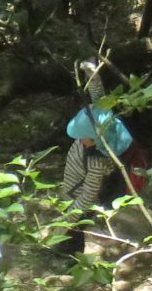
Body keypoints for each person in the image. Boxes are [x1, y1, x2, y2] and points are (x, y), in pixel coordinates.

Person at [57, 107, 137, 256]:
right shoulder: (87, 138)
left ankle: (71, 258)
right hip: (73, 194)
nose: (80, 140)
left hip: (81, 205)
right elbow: (98, 102)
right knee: (70, 234)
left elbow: (89, 194)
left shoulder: (97, 161)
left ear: (98, 139)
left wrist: (69, 219)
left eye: (84, 137)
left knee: (73, 235)